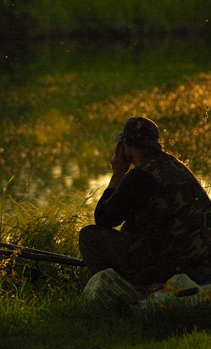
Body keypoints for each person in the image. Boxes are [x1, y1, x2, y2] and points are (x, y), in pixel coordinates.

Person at [79, 117, 211, 286]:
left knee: (90, 236)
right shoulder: (176, 165)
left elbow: (104, 219)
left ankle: (120, 294)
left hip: (171, 267)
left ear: (125, 147)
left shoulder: (141, 175)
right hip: (202, 263)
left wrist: (118, 174)